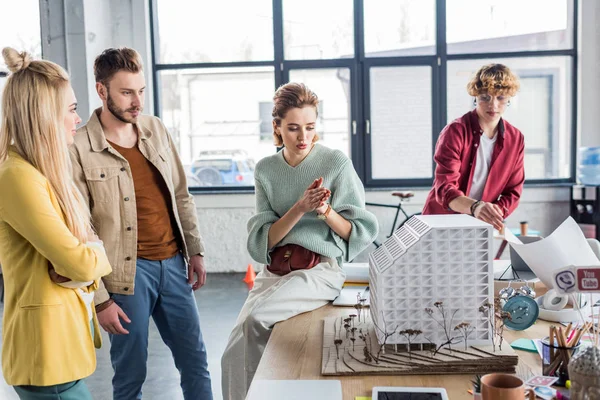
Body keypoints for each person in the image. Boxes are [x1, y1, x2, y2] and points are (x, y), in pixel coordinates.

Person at [69, 47, 212, 400]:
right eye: (127, 92)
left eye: (141, 91)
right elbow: (78, 228)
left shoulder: (155, 129)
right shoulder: (79, 147)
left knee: (196, 363)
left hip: (174, 267)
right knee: (130, 374)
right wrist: (100, 300)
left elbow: (181, 193)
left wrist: (195, 250)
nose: (137, 102)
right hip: (125, 277)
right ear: (102, 91)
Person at [221, 82, 379, 400]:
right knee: (231, 352)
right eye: (293, 128)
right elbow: (262, 241)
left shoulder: (335, 163)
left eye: (309, 127)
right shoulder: (266, 169)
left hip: (319, 270)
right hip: (275, 270)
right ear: (276, 127)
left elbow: (359, 232)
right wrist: (300, 207)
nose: (303, 137)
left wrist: (325, 211)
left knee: (257, 320)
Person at [0, 47, 112, 399]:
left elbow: (77, 259)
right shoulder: (15, 177)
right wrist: (95, 252)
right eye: (72, 109)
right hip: (44, 356)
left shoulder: (38, 173)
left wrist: (84, 254)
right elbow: (78, 260)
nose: (77, 119)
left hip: (60, 355)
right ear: (46, 115)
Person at [422, 63, 525, 230]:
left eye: (500, 98)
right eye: (485, 97)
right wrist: (476, 207)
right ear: (475, 97)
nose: (493, 105)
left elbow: (512, 192)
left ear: (508, 99)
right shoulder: (455, 131)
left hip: (479, 225)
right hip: (440, 222)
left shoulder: (515, 139)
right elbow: (445, 188)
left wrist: (491, 213)